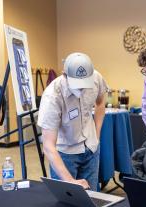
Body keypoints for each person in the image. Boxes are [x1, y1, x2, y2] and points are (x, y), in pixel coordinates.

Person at [38, 52, 107, 190]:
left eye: (84, 84)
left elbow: (100, 103)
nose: (81, 89)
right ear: (64, 75)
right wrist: (69, 180)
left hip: (91, 147)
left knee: (92, 197)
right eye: (77, 84)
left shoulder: (96, 78)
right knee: (68, 198)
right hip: (65, 153)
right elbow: (48, 146)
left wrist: (97, 135)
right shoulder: (52, 96)